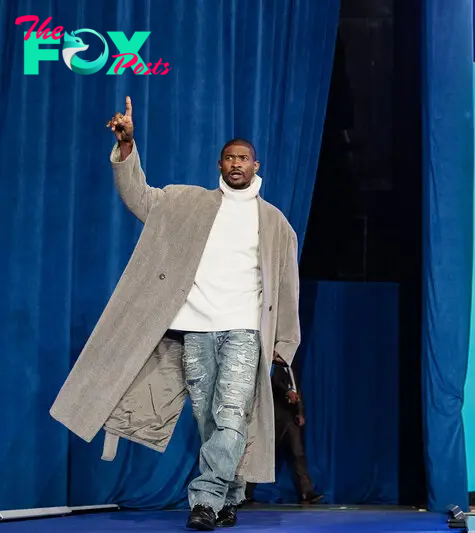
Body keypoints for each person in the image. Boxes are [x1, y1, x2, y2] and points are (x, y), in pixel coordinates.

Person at [49, 97, 301, 531]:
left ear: (256, 166)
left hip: (242, 329)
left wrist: (283, 343)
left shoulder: (275, 222)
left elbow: (287, 287)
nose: (236, 164)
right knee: (208, 419)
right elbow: (139, 197)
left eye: (243, 158)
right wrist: (128, 148)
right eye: (229, 158)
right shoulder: (188, 203)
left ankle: (204, 499)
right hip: (196, 329)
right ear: (219, 165)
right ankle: (229, 496)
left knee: (231, 415)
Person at [245, 356, 323, 504]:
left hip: (291, 417)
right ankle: (245, 493)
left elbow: (297, 390)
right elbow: (273, 382)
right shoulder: (272, 367)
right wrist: (287, 392)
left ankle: (306, 493)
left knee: (298, 454)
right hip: (275, 418)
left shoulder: (292, 367)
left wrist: (300, 413)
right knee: (262, 454)